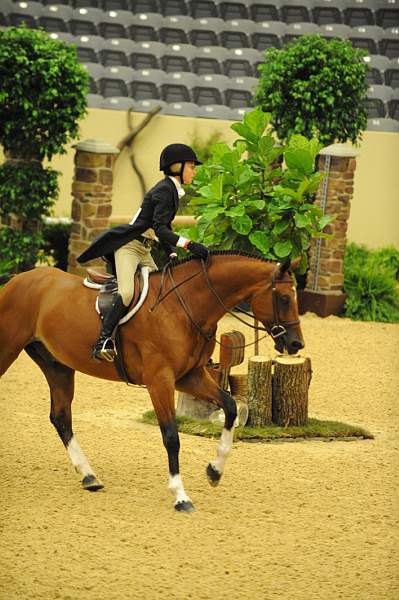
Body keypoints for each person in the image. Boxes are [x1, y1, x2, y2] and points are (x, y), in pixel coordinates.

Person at [77, 143, 209, 362]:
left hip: (145, 248)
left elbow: (163, 225)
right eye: (192, 166)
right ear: (177, 167)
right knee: (127, 292)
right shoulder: (165, 190)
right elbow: (160, 229)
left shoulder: (172, 189)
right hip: (129, 247)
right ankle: (103, 341)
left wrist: (171, 254)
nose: (194, 171)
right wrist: (189, 245)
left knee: (163, 293)